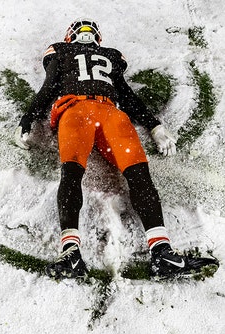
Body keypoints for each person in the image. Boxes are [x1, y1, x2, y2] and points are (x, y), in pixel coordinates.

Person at [13, 18, 218, 280]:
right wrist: (153, 125)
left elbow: (56, 87)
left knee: (110, 172)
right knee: (100, 173)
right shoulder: (100, 54)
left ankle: (148, 252)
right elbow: (118, 92)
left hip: (88, 111)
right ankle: (147, 251)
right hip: (98, 112)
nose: (85, 32)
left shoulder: (71, 52)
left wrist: (28, 118)